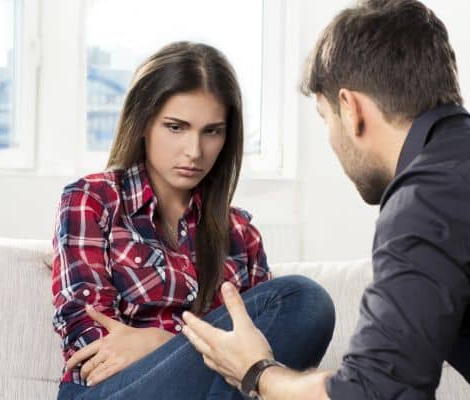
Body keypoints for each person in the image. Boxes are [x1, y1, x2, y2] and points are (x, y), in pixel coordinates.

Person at [181, 1, 470, 399]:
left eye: (325, 119)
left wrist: (257, 373)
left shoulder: (430, 194)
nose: (332, 141)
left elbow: (374, 392)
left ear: (350, 108)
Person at [51, 41, 335, 400]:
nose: (194, 151)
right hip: (109, 392)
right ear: (143, 123)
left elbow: (260, 358)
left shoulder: (241, 234)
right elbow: (91, 341)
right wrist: (212, 351)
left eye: (212, 131)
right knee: (301, 302)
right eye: (175, 127)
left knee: (306, 303)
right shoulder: (92, 200)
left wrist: (158, 340)